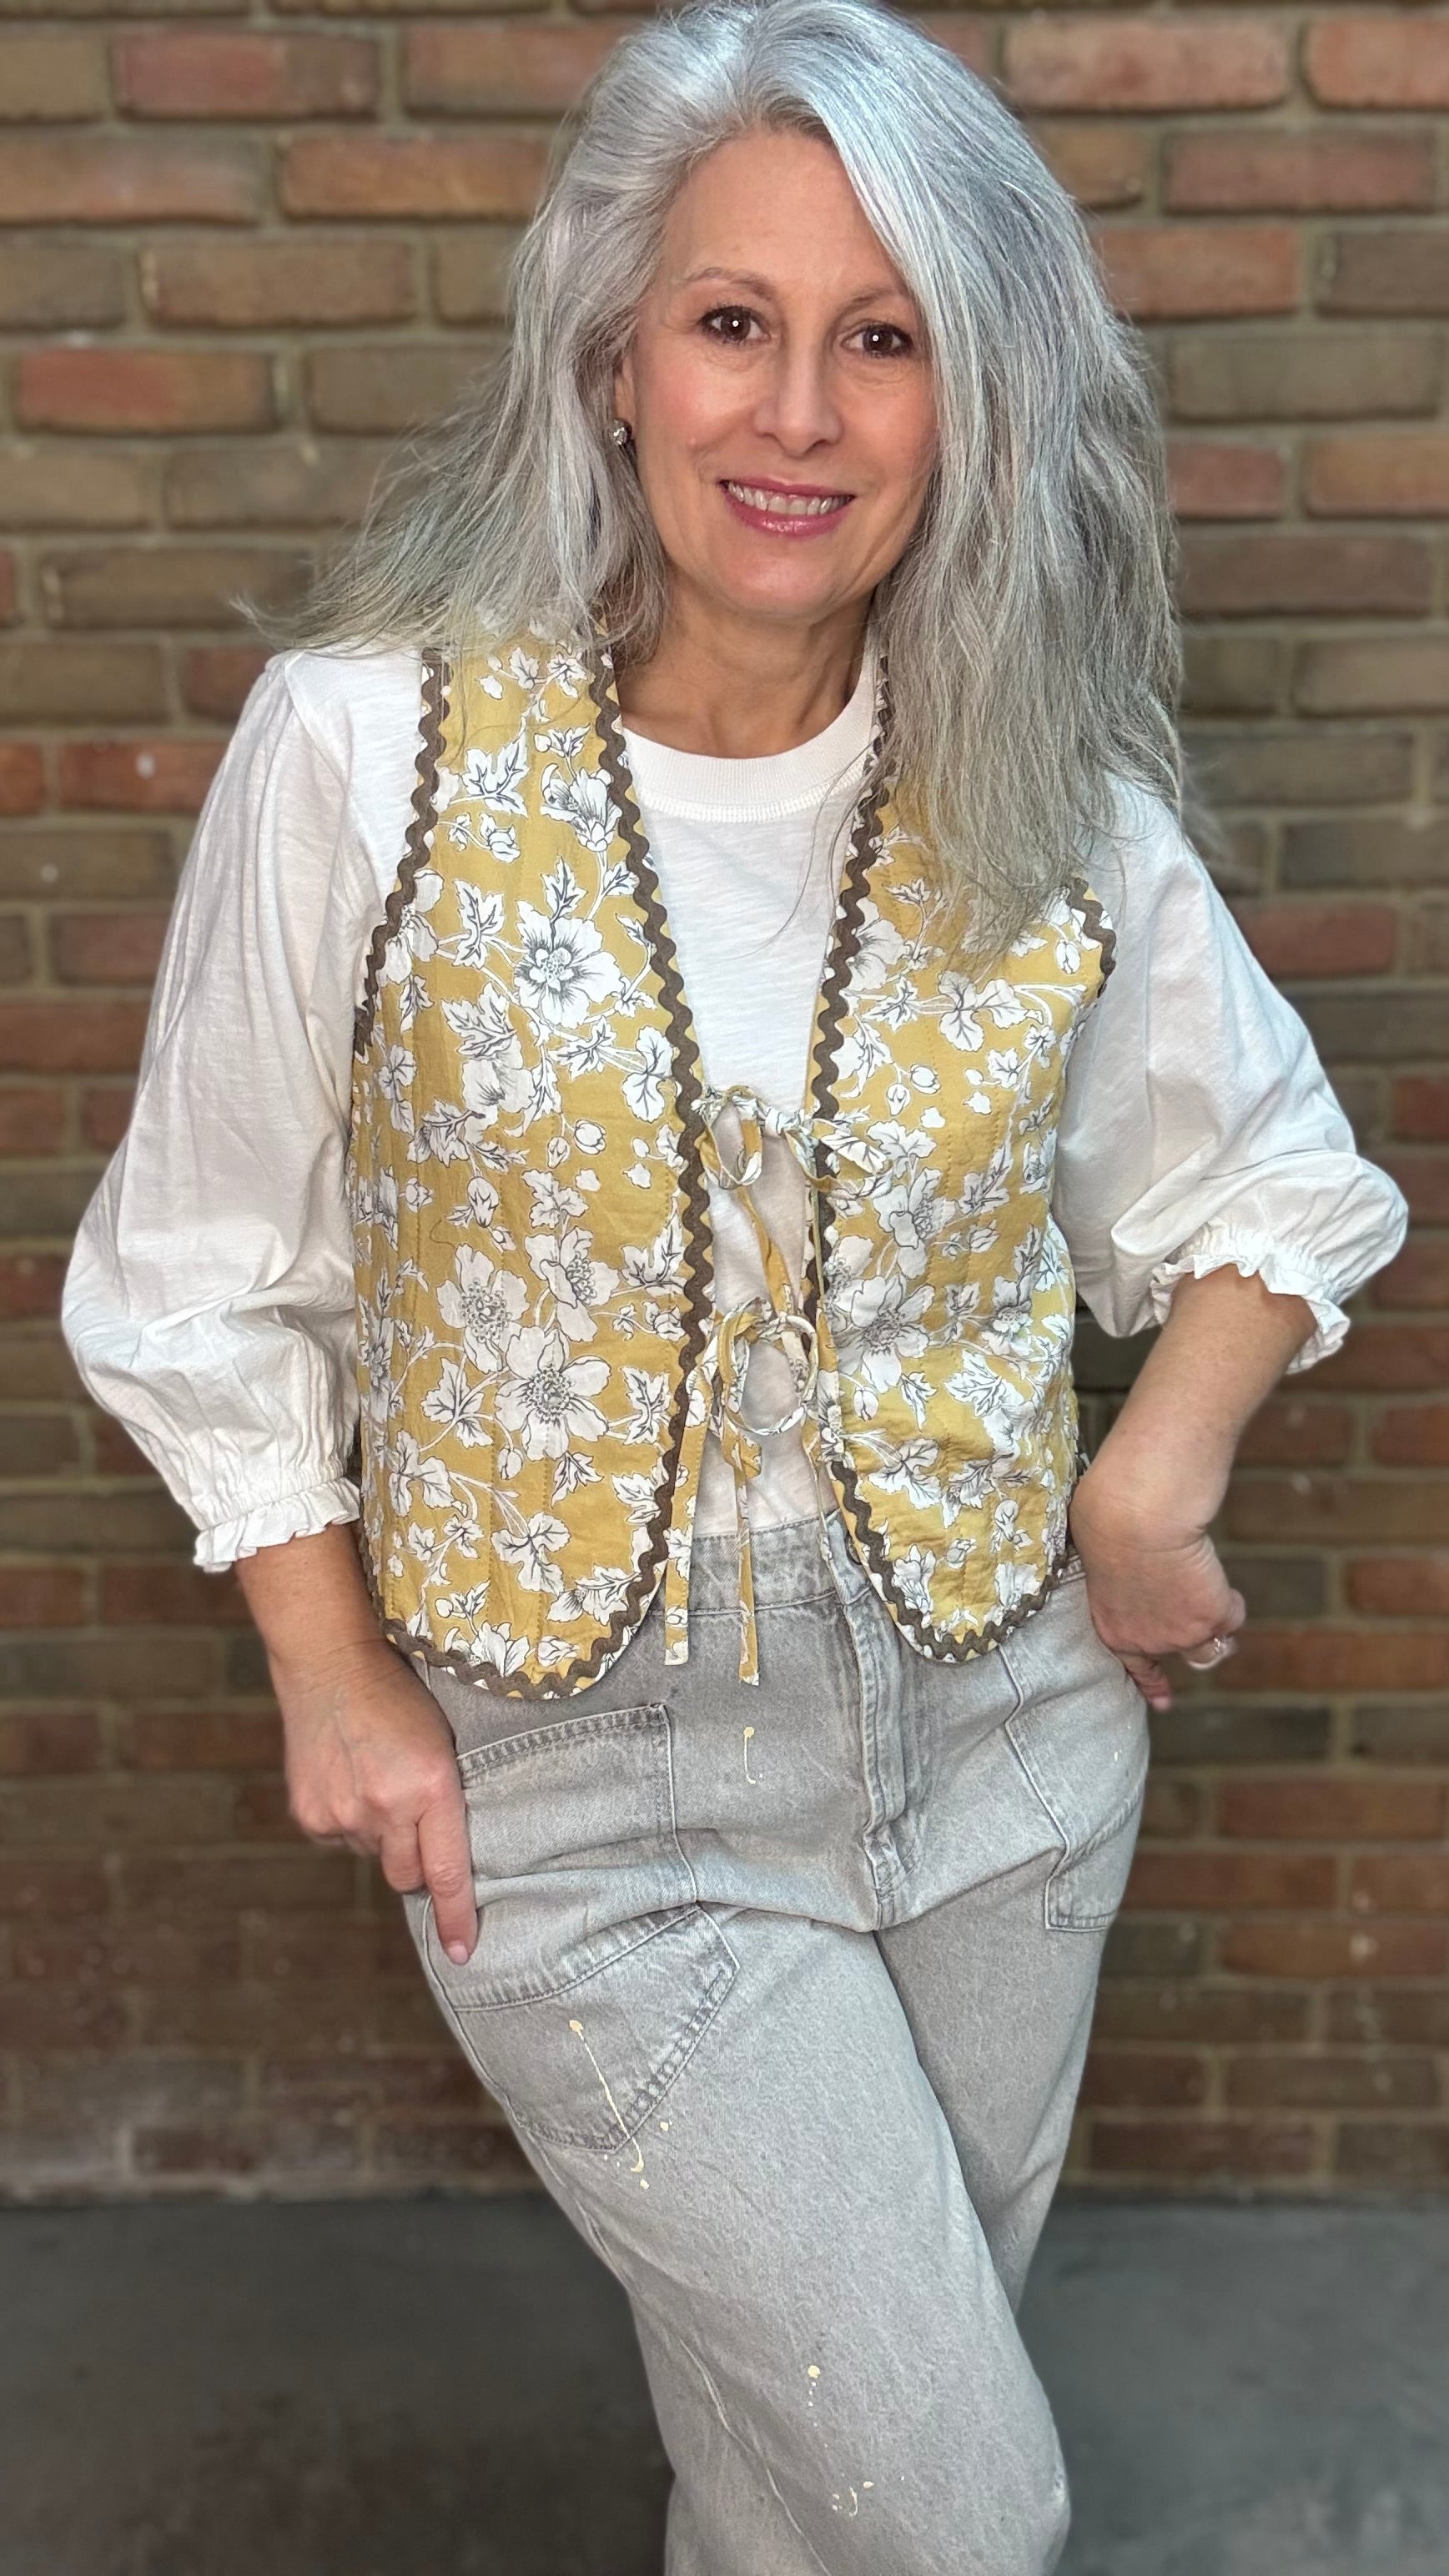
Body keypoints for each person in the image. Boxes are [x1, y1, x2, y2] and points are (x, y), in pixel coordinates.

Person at [61, 0, 1407, 2566]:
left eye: (880, 338)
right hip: (588, 1795)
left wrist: (1151, 1474)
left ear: (965, 404)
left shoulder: (1038, 795)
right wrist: (328, 1670)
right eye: (731, 320)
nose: (794, 410)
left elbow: (1272, 1174)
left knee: (792, 2477)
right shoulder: (366, 751)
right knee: (948, 2494)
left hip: (1006, 1745)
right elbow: (194, 1268)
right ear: (611, 355)